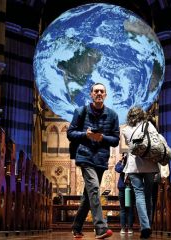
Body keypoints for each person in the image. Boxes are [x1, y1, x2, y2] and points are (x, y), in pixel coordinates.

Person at [67, 83, 120, 239]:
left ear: (105, 95)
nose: (98, 93)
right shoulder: (80, 111)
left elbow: (116, 140)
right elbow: (70, 133)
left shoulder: (113, 115)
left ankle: (76, 227)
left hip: (101, 159)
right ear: (91, 94)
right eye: (96, 91)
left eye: (101, 91)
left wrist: (102, 138)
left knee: (88, 194)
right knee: (95, 189)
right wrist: (86, 135)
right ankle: (100, 228)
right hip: (85, 156)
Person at [122, 106, 159, 239]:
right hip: (150, 164)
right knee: (148, 196)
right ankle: (147, 224)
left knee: (139, 194)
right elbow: (156, 140)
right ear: (142, 115)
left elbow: (129, 146)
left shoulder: (126, 130)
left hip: (134, 166)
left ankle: (145, 226)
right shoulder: (149, 125)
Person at [115, 152, 134, 236]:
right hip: (122, 189)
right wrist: (122, 162)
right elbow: (118, 169)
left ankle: (130, 228)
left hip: (130, 188)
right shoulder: (121, 162)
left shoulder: (133, 163)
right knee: (122, 209)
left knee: (130, 209)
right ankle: (123, 228)